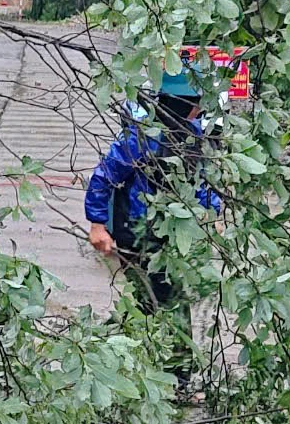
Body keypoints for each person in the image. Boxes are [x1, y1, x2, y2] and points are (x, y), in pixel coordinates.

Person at [84, 59, 223, 323]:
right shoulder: (142, 139)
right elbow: (103, 177)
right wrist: (97, 225)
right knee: (163, 300)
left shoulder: (193, 137)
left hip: (171, 231)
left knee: (155, 300)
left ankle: (130, 345)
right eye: (197, 102)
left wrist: (212, 210)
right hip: (138, 229)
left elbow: (200, 179)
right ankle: (175, 361)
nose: (199, 109)